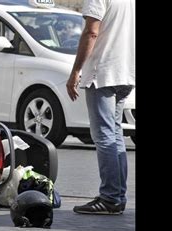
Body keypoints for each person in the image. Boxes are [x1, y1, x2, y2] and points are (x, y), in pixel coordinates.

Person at [66, 0, 135, 214]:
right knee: (114, 134)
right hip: (124, 72)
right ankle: (117, 196)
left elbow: (91, 32)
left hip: (103, 73)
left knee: (104, 136)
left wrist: (76, 70)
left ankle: (110, 197)